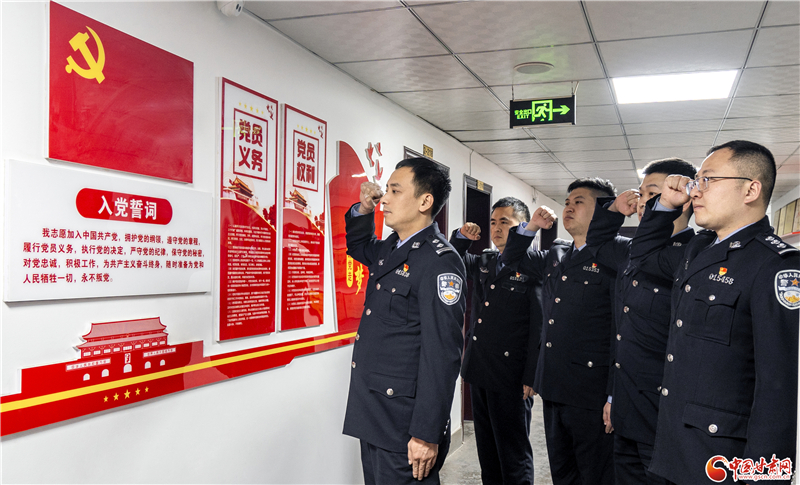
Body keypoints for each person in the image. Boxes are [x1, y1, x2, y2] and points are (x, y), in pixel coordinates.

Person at [629, 140, 798, 484]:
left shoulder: (774, 265)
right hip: (675, 445)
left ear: (750, 190)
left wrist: (764, 476)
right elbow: (643, 258)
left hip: (722, 459)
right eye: (696, 181)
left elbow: (779, 388)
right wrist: (664, 206)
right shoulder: (699, 248)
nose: (695, 191)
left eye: (708, 180)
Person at [343, 157, 466, 484]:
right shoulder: (391, 249)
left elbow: (442, 354)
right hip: (374, 412)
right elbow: (358, 246)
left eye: (395, 191)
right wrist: (364, 209)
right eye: (386, 190)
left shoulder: (440, 262)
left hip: (405, 424)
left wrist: (426, 433)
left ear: (425, 201)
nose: (384, 199)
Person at [584, 158, 698, 484]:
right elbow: (598, 244)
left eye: (654, 193)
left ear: (683, 197)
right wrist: (614, 209)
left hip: (665, 407)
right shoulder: (631, 251)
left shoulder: (694, 253)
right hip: (627, 402)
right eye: (642, 192)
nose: (644, 201)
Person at [503, 178, 620, 485]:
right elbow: (512, 258)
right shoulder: (558, 253)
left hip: (591, 392)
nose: (568, 207)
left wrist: (614, 393)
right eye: (567, 202)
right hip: (554, 386)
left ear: (603, 210)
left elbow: (621, 332)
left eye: (579, 202)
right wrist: (532, 226)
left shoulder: (616, 255)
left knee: (595, 475)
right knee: (563, 473)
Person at [449, 198, 556, 485]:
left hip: (511, 375)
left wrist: (532, 374)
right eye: (493, 222)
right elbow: (452, 261)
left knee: (513, 454)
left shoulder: (534, 266)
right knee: (487, 452)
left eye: (505, 223)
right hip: (480, 369)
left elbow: (539, 325)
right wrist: (461, 237)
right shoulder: (486, 261)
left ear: (522, 226)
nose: (496, 229)